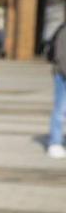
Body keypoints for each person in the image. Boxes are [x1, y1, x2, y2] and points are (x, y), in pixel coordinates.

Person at [47, 21, 66, 160]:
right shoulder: (64, 31)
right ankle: (55, 143)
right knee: (60, 109)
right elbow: (61, 56)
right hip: (62, 75)